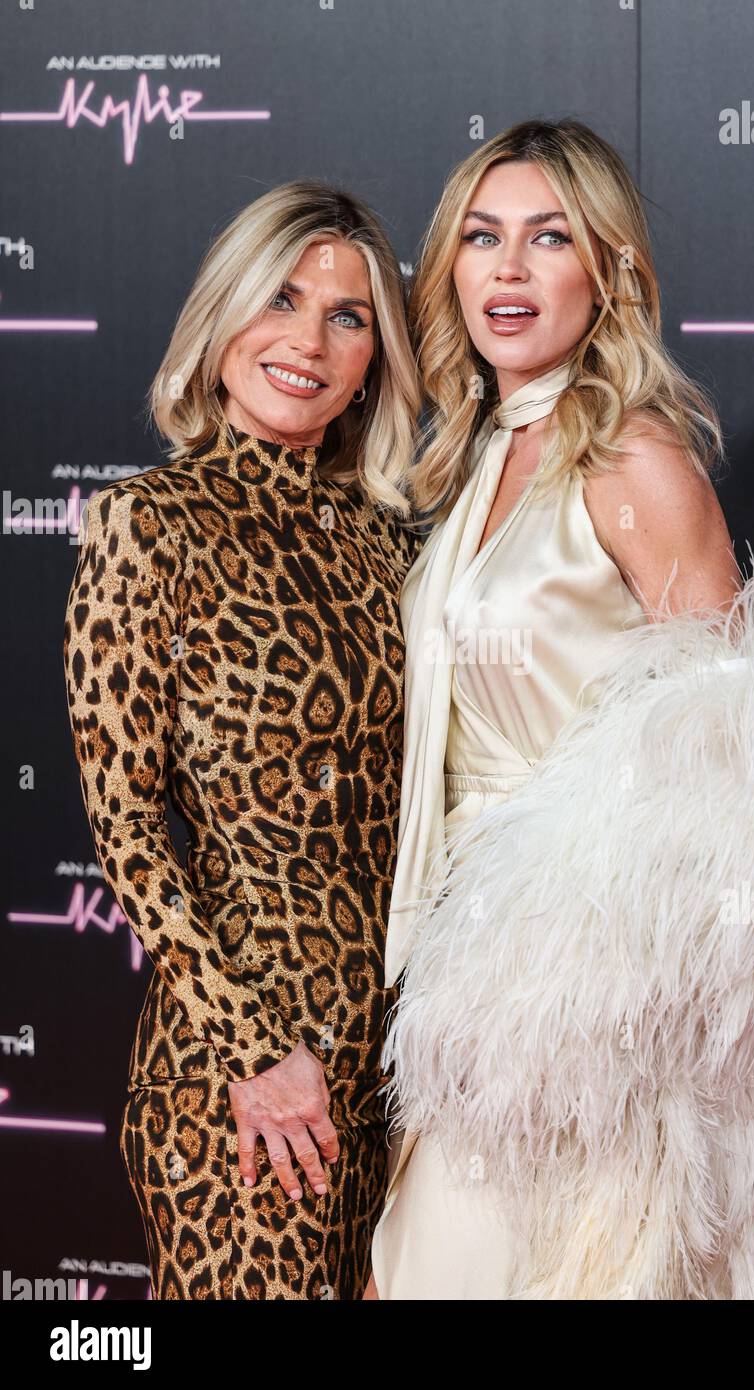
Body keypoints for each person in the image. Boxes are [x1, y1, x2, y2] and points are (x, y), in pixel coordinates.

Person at [367, 119, 754, 1300]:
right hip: (452, 996)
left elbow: (740, 785)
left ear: (605, 270)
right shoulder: (471, 458)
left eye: (547, 238)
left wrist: (569, 984)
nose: (507, 269)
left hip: (581, 1024)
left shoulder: (631, 458)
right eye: (482, 237)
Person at [63, 179, 421, 1299]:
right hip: (243, 1065)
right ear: (221, 321)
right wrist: (256, 1050)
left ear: (375, 359)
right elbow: (124, 823)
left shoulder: (388, 540)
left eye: (348, 316)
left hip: (402, 1057)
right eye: (279, 299)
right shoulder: (147, 524)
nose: (308, 340)